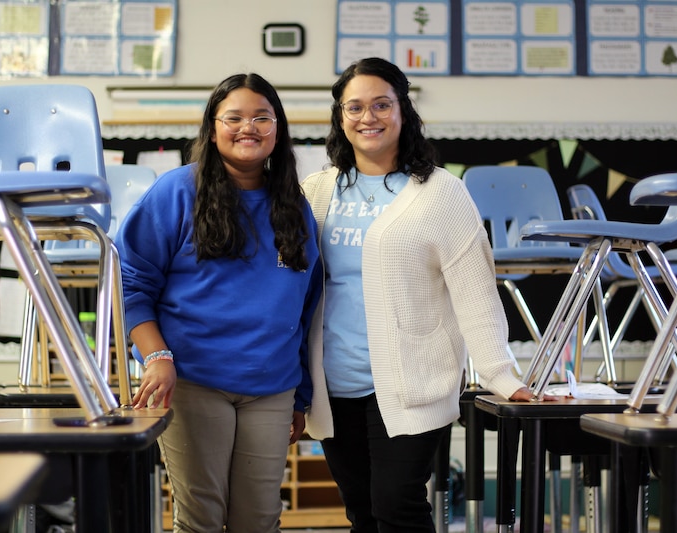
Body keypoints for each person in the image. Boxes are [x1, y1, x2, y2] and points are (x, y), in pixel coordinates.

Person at [301, 57, 539, 532]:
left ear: (403, 112)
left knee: (398, 506)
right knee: (362, 512)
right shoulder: (316, 191)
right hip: (333, 387)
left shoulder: (440, 193)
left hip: (413, 384)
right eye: (355, 107)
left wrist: (502, 376)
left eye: (381, 104)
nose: (368, 117)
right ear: (340, 117)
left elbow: (476, 293)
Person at [116, 73, 323, 533]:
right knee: (202, 519)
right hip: (192, 381)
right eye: (234, 118)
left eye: (262, 118)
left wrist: (302, 393)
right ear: (213, 128)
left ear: (277, 130)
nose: (248, 127)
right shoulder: (174, 192)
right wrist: (157, 355)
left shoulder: (294, 204)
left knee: (259, 520)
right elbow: (131, 284)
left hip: (271, 387)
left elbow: (305, 308)